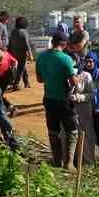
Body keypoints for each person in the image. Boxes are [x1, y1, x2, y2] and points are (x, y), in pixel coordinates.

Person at [35, 32, 80, 168]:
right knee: (72, 131)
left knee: (53, 131)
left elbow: (39, 79)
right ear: (64, 43)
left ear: (52, 41)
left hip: (49, 99)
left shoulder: (41, 57)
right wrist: (79, 78)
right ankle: (69, 163)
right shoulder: (65, 59)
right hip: (64, 101)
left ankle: (56, 161)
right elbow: (73, 82)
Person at [8, 16, 32, 89]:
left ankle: (26, 82)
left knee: (23, 66)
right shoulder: (24, 32)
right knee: (21, 68)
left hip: (14, 52)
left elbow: (10, 42)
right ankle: (16, 83)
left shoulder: (13, 31)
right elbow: (27, 44)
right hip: (22, 53)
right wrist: (30, 54)